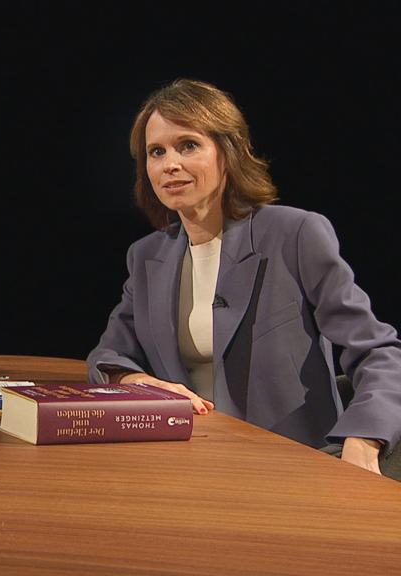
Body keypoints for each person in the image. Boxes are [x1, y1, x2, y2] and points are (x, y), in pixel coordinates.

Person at [87, 79, 401, 476]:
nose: (170, 164)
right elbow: (108, 355)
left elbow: (379, 353)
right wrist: (135, 380)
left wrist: (364, 439)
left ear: (228, 152)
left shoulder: (295, 235)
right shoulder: (147, 255)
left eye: (188, 145)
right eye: (156, 152)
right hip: (185, 467)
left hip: (293, 469)